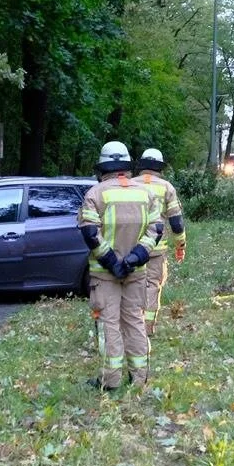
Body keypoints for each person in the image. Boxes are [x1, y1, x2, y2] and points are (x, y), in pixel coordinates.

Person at [78, 141, 163, 390]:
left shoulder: (95, 194)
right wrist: (136, 257)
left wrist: (113, 263)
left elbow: (91, 234)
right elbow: (156, 230)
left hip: (105, 276)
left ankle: (111, 380)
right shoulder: (145, 194)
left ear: (103, 167)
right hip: (137, 273)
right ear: (126, 166)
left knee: (109, 325)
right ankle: (139, 378)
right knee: (135, 322)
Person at [136, 148, 186, 337]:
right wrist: (180, 246)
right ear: (160, 167)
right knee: (151, 286)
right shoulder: (166, 188)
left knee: (132, 285)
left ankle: (131, 324)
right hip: (156, 250)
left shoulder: (129, 185)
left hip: (131, 247)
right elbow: (176, 222)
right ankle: (147, 328)